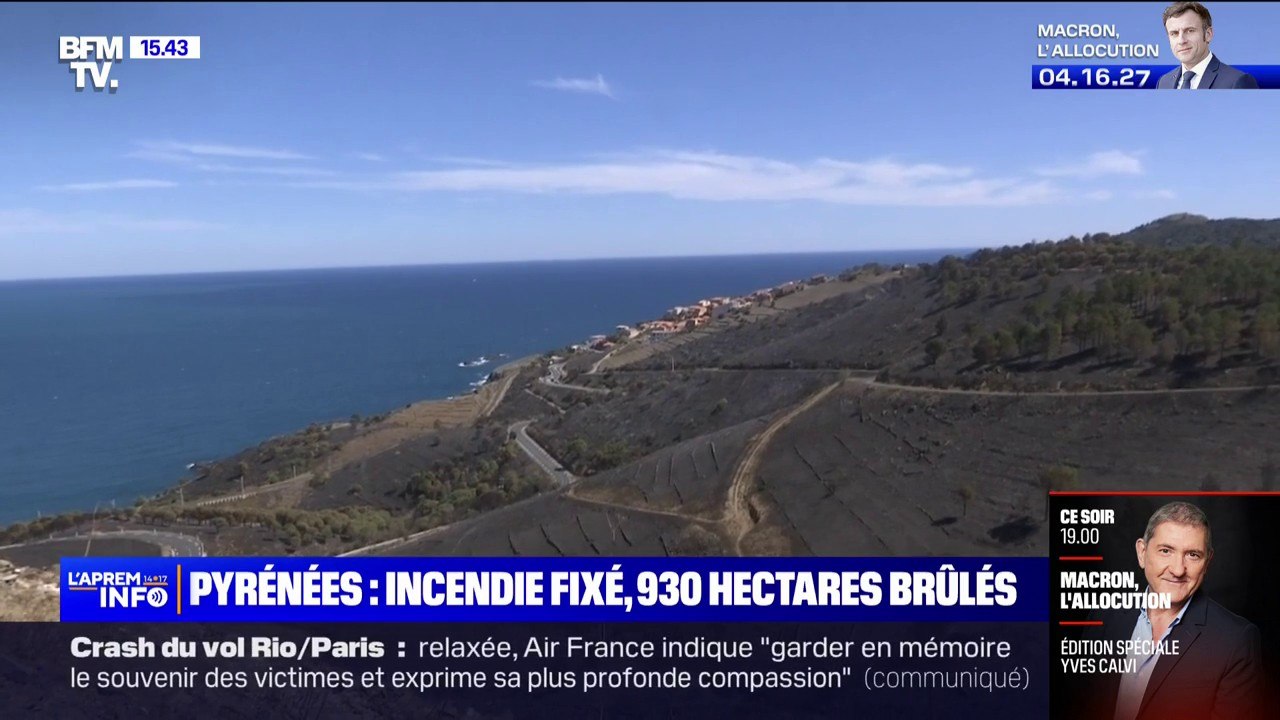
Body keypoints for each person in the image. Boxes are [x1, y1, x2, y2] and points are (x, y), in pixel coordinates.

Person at [1090, 501, 1264, 720]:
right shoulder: (1104, 614)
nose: (1178, 569)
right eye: (1166, 551)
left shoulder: (1236, 642)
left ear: (1207, 562)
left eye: (1192, 555)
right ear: (1142, 553)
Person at [1157, 2, 1258, 89]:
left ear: (1208, 34)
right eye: (1174, 33)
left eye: (1190, 31)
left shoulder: (1238, 82)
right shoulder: (1163, 83)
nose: (1181, 40)